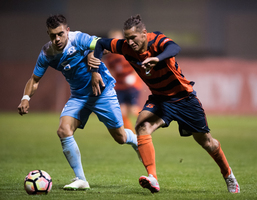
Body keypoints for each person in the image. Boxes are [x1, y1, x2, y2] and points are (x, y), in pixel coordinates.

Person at [88, 14, 240, 194]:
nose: (130, 42)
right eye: (127, 38)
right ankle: (153, 178)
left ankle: (229, 175)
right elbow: (101, 44)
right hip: (160, 98)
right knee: (142, 127)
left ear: (144, 34)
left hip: (184, 99)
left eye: (133, 38)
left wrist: (157, 59)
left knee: (207, 142)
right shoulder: (125, 47)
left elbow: (175, 47)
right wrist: (95, 71)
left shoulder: (157, 41)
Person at [17, 14, 139, 190]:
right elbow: (34, 80)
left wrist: (91, 54)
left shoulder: (78, 38)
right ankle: (81, 179)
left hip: (102, 92)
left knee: (120, 137)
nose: (57, 39)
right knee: (63, 130)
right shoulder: (47, 53)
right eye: (53, 35)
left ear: (67, 30)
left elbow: (103, 45)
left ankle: (134, 139)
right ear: (48, 34)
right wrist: (26, 98)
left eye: (60, 33)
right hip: (78, 97)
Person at [102, 30, 143, 131]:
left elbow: (139, 66)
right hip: (120, 86)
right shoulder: (110, 57)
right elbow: (111, 71)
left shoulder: (130, 52)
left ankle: (147, 120)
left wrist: (132, 76)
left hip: (132, 85)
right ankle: (130, 131)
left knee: (133, 110)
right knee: (121, 111)